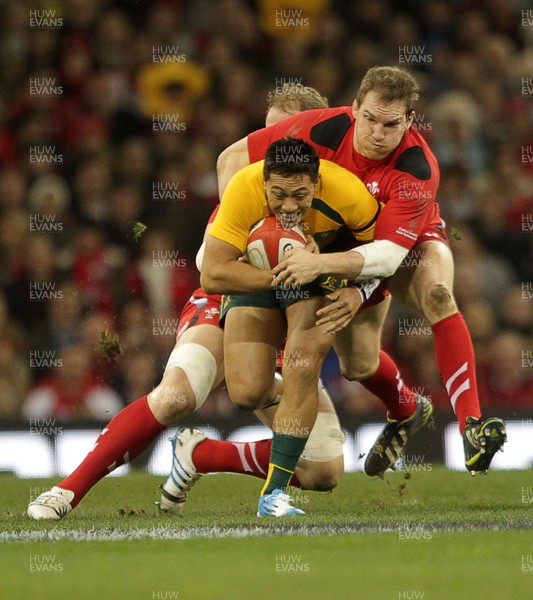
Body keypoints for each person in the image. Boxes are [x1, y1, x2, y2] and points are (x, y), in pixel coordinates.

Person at [25, 84, 353, 520]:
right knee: (177, 396)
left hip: (287, 327)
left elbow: (374, 261)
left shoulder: (344, 199)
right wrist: (285, 270)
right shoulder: (250, 190)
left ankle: (202, 455)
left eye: (282, 135)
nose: (264, 148)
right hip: (225, 304)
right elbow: (209, 266)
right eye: (264, 135)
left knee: (324, 470)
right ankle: (66, 491)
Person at [217, 66, 507, 475]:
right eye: (369, 118)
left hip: (402, 243)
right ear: (354, 107)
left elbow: (388, 257)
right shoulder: (318, 129)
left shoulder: (416, 170)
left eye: (390, 124)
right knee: (358, 365)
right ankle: (406, 408)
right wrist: (240, 231)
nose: (376, 133)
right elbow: (231, 159)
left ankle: (471, 426)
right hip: (341, 246)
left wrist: (348, 284)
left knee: (438, 294)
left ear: (409, 122)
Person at [200, 136, 407, 516]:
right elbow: (212, 274)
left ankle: (273, 495)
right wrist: (280, 273)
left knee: (302, 361)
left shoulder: (350, 194)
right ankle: (304, 402)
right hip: (259, 274)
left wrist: (358, 294)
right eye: (278, 194)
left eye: (300, 195)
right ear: (264, 183)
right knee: (247, 392)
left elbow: (385, 258)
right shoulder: (243, 188)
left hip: (323, 274)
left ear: (317, 184)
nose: (289, 206)